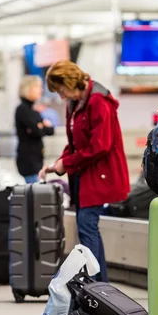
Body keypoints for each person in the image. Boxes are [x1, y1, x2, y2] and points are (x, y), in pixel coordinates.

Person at [39, 60, 130, 282]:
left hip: (100, 174)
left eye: (61, 90)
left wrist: (66, 163)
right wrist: (59, 162)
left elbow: (100, 146)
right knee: (86, 225)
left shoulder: (99, 101)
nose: (61, 96)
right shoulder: (75, 102)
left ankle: (97, 287)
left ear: (70, 82)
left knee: (87, 223)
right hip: (84, 174)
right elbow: (76, 143)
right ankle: (99, 285)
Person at [15, 75, 54, 184]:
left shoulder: (34, 111)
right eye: (38, 87)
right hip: (29, 162)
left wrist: (41, 126)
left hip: (37, 160)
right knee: (34, 192)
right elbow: (38, 131)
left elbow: (50, 130)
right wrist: (41, 126)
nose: (41, 90)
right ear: (28, 88)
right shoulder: (22, 110)